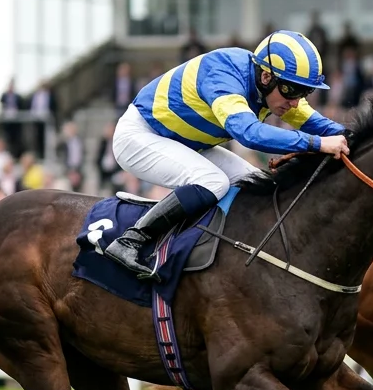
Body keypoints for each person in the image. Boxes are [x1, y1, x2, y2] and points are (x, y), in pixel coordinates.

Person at [104, 30, 349, 278]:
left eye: (304, 93)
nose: (296, 102)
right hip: (140, 135)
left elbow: (326, 128)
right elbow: (248, 133)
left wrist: (361, 136)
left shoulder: (274, 89)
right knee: (214, 182)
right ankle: (131, 240)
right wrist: (316, 144)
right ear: (266, 77)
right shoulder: (224, 75)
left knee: (256, 182)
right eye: (292, 90)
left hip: (184, 142)